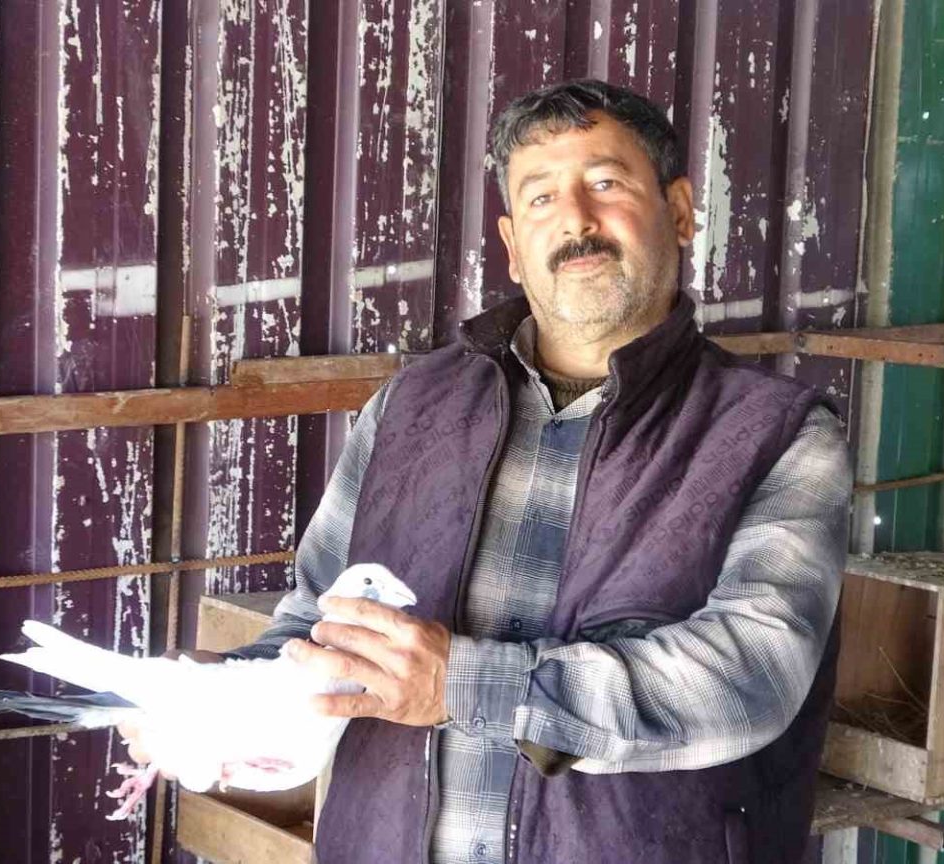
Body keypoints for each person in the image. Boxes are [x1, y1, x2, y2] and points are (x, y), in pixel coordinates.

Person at [126, 78, 852, 864]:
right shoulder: (412, 405)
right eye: (541, 197)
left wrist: (466, 685)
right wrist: (226, 692)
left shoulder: (775, 435)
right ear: (512, 243)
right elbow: (319, 621)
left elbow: (750, 676)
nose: (575, 219)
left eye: (606, 184)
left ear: (679, 211)